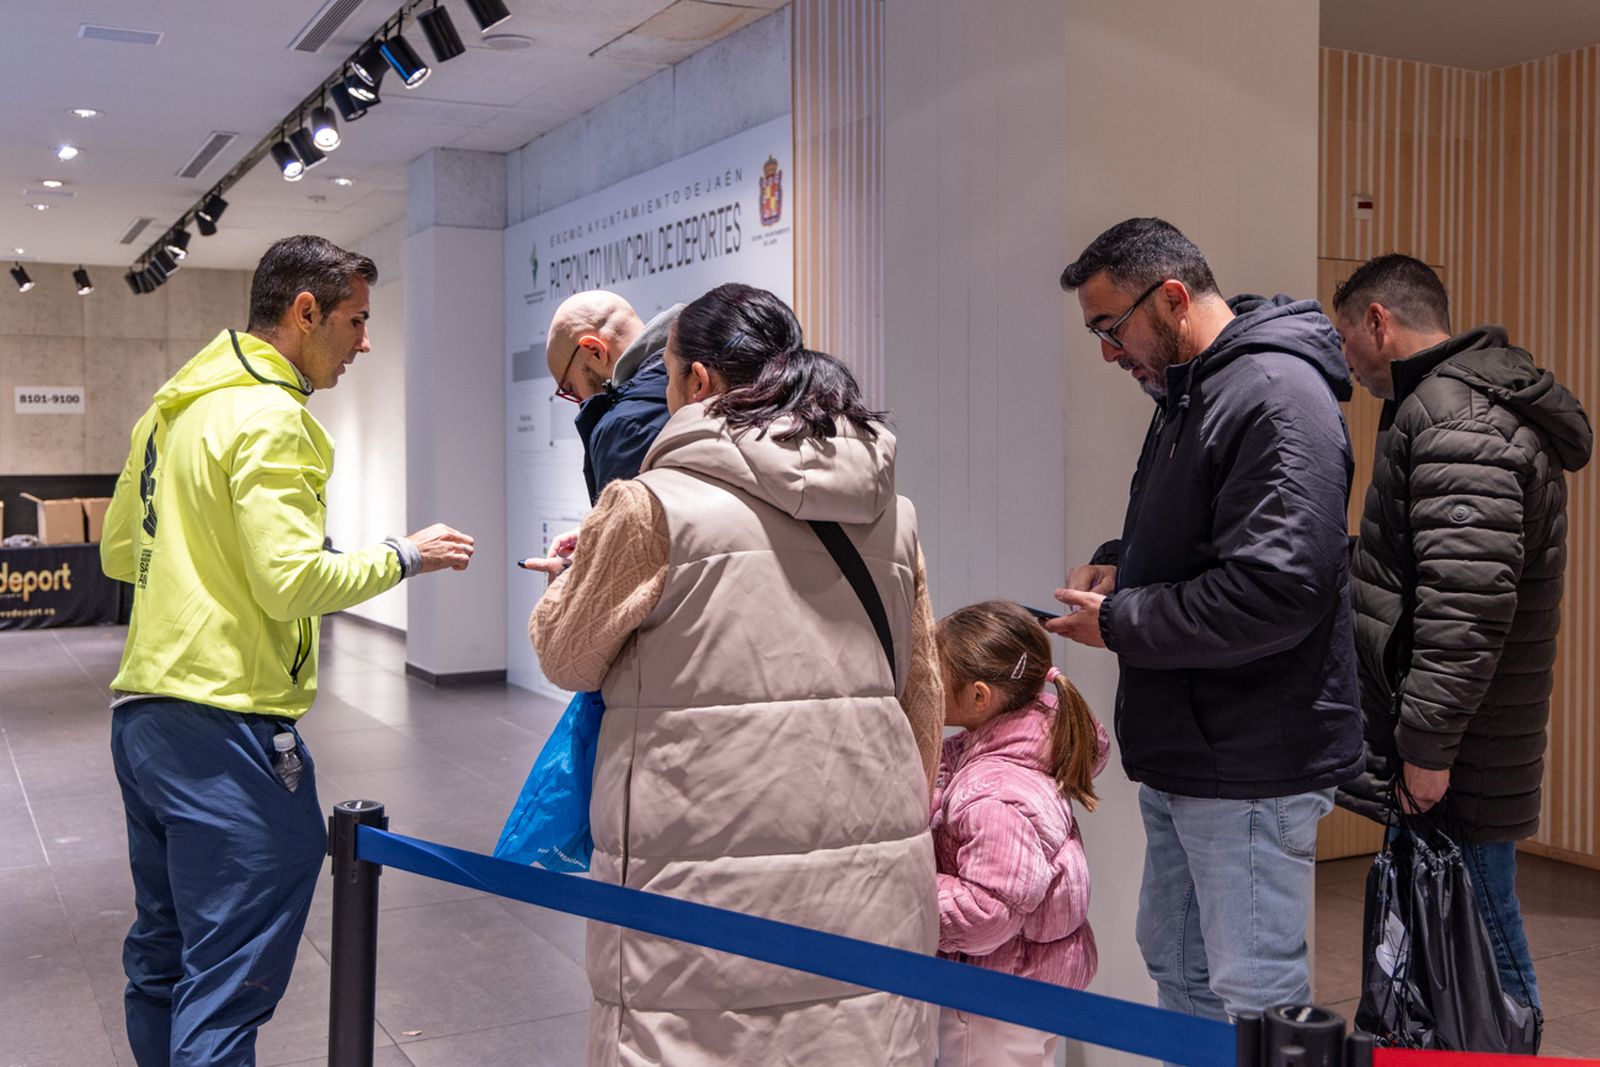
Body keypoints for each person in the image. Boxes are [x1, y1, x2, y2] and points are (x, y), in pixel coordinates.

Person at [529, 282, 943, 1065]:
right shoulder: (895, 512)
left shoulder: (649, 504)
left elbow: (567, 654)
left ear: (700, 384)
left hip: (699, 894)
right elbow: (921, 695)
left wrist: (564, 586)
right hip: (870, 885)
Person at [100, 235, 475, 1066]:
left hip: (143, 720)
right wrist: (407, 553)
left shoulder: (172, 410)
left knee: (164, 958)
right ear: (305, 313)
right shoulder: (275, 416)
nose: (365, 342)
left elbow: (119, 553)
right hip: (226, 724)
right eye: (357, 319)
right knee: (226, 981)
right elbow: (290, 582)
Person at [1051, 217, 1364, 1020]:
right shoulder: (1196, 390)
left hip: (1250, 759)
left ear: (1174, 296)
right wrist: (1122, 559)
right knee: (1182, 969)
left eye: (1110, 327)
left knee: (1256, 998)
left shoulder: (1272, 395)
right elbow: (1208, 538)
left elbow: (1277, 590)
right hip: (1196, 748)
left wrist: (1122, 620)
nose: (1108, 353)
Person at [1331, 253, 1593, 1016]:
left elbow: (1465, 608)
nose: (1347, 362)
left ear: (1379, 321)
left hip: (1464, 753)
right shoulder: (1454, 406)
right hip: (1468, 742)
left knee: (1485, 945)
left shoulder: (1452, 417)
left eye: (1347, 338)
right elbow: (1425, 578)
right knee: (1460, 940)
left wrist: (1427, 749)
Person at [931, 600, 1107, 1067]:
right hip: (1033, 986)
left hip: (995, 995)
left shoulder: (994, 792)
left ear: (979, 697)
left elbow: (987, 912)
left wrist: (908, 890)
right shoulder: (1029, 749)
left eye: (934, 672)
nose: (923, 682)